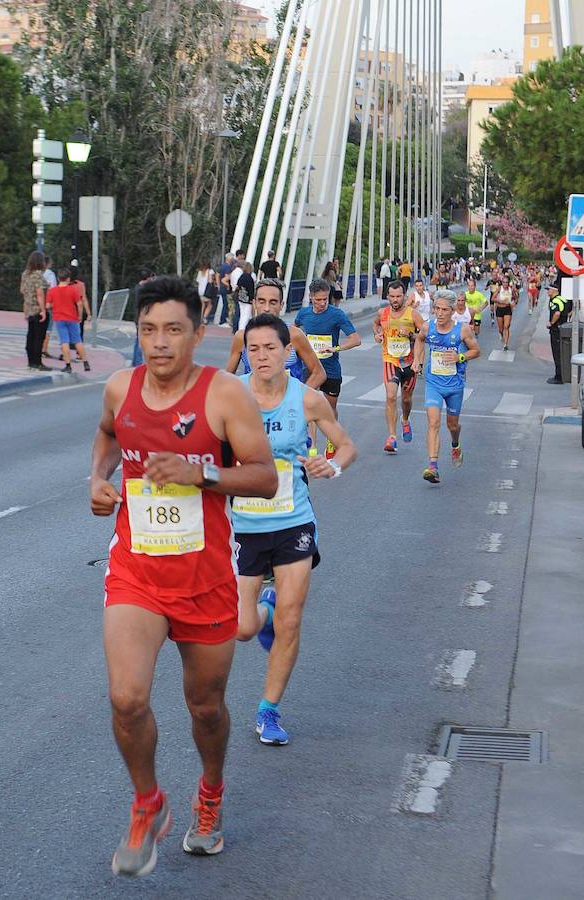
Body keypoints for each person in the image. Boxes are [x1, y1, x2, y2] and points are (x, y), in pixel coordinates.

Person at [90, 275, 278, 877]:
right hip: (137, 571)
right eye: (148, 330)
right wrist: (99, 478)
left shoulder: (225, 396)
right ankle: (148, 803)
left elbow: (265, 476)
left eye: (174, 330)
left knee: (205, 708)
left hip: (206, 581)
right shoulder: (120, 388)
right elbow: (107, 436)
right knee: (126, 697)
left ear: (199, 333)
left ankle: (211, 790)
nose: (160, 343)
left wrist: (203, 475)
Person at [232, 313, 357, 745]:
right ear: (245, 354)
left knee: (291, 619)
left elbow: (346, 445)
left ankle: (269, 711)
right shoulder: (231, 398)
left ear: (289, 352)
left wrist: (332, 465)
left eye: (271, 348)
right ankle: (263, 606)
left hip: (294, 522)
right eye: (254, 349)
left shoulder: (307, 399)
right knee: (243, 628)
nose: (262, 356)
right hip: (246, 527)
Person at [412, 290, 480, 484]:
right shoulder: (428, 327)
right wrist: (417, 359)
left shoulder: (462, 330)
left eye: (444, 310)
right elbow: (419, 340)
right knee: (433, 422)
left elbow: (476, 351)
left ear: (452, 311)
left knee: (452, 425)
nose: (439, 313)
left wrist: (460, 357)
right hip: (433, 382)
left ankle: (455, 444)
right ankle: (433, 466)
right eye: (436, 309)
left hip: (455, 385)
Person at [294, 278, 361, 457]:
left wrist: (335, 348)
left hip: (331, 369)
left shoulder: (336, 314)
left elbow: (356, 339)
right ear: (311, 297)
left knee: (330, 410)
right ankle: (313, 447)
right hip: (310, 368)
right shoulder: (303, 314)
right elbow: (293, 335)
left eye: (325, 299)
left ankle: (331, 439)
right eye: (318, 299)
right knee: (309, 406)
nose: (322, 303)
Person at [225, 278, 326, 388]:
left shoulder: (294, 335)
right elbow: (227, 378)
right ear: (254, 303)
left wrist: (299, 398)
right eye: (262, 301)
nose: (267, 308)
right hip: (254, 403)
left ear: (281, 305)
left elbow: (319, 373)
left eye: (273, 302)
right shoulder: (241, 337)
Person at [373, 280, 424, 453]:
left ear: (404, 296)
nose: (395, 300)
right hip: (391, 360)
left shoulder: (413, 314)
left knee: (406, 399)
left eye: (398, 296)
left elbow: (424, 335)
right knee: (391, 396)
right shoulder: (382, 313)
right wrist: (377, 334)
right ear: (388, 296)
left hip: (409, 363)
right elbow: (375, 325)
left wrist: (410, 334)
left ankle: (405, 420)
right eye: (392, 296)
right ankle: (392, 437)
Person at [46, 267, 91, 372]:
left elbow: (48, 305)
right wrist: (79, 316)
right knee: (77, 340)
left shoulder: (53, 291)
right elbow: (79, 304)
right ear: (68, 279)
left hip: (59, 318)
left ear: (58, 278)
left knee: (64, 341)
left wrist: (55, 304)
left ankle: (68, 365)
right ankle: (85, 362)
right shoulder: (73, 290)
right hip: (72, 317)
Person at [20, 250, 50, 371]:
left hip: (28, 308)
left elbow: (22, 290)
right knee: (39, 337)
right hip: (37, 309)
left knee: (30, 335)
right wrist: (43, 310)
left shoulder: (25, 274)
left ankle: (30, 361)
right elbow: (39, 293)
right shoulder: (38, 275)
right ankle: (37, 362)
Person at [132, 268, 156, 366]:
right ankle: (138, 362)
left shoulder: (138, 287)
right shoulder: (144, 289)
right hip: (142, 317)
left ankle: (136, 361)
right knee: (140, 340)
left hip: (138, 316)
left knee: (138, 339)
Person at [546, 284, 567, 384]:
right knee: (562, 353)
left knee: (557, 353)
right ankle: (563, 374)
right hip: (563, 328)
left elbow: (557, 313)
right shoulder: (563, 299)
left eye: (549, 290)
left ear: (554, 290)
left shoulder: (555, 300)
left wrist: (551, 323)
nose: (547, 292)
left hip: (556, 330)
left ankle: (559, 376)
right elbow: (569, 310)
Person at [42, 256, 58, 360]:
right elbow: (53, 289)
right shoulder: (50, 274)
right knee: (48, 329)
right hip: (48, 303)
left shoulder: (37, 273)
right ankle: (44, 349)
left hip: (37, 304)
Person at [495, 275, 517, 351]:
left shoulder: (511, 289)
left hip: (507, 309)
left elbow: (515, 297)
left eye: (506, 282)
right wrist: (500, 301)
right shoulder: (499, 289)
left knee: (506, 326)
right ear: (502, 283)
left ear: (508, 283)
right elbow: (493, 298)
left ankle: (505, 344)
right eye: (503, 282)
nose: (505, 284)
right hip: (499, 309)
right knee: (501, 329)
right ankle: (501, 334)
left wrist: (514, 302)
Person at [236, 261, 256, 332]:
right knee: (246, 315)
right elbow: (251, 290)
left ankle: (240, 329)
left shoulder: (242, 276)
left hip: (241, 298)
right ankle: (243, 330)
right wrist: (252, 299)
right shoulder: (250, 279)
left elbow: (238, 286)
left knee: (242, 315)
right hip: (247, 299)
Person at [196, 260, 217, 325]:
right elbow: (210, 281)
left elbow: (198, 281)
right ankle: (204, 318)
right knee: (210, 304)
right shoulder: (210, 271)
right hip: (207, 290)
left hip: (200, 290)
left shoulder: (200, 272)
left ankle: (200, 318)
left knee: (202, 304)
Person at [216, 253, 233, 326]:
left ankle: (222, 320)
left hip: (222, 287)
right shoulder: (228, 267)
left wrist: (219, 285)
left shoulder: (222, 266)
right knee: (226, 304)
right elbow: (226, 278)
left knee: (224, 303)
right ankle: (223, 320)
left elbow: (217, 275)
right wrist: (228, 285)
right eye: (232, 258)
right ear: (229, 258)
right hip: (226, 287)